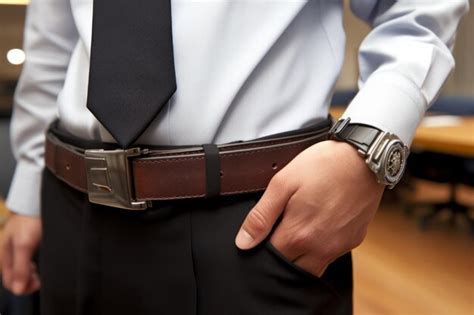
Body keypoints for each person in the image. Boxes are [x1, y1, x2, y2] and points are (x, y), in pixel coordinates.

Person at [1, 1, 468, 314]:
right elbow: (55, 41)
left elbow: (418, 8)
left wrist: (366, 149)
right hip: (69, 210)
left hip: (253, 222)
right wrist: (27, 191)